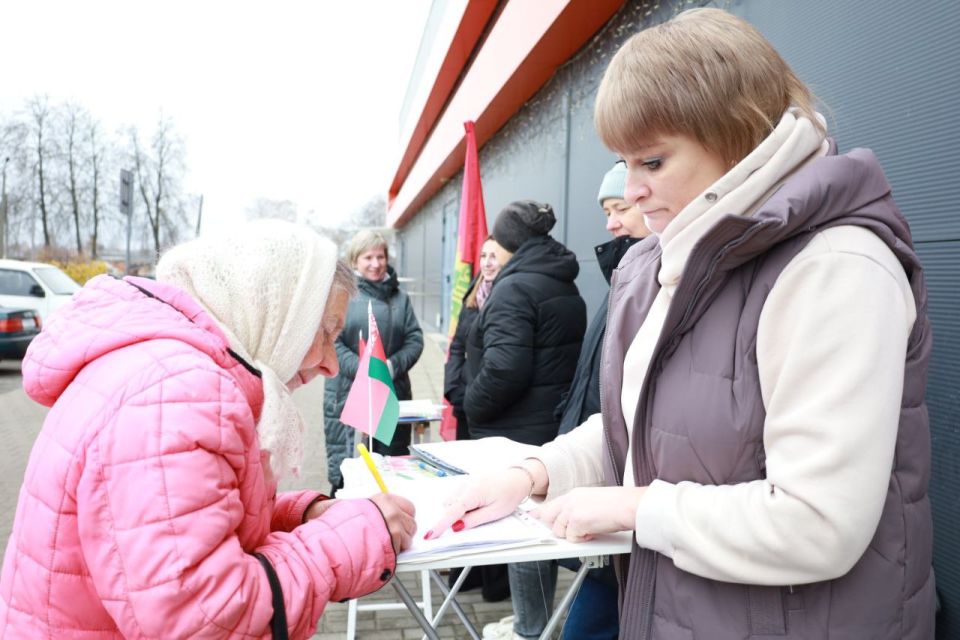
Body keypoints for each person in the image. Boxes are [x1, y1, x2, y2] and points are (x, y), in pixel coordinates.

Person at [431, 8, 934, 639]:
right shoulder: (662, 261)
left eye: (652, 162)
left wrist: (636, 507)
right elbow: (642, 429)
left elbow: (817, 522)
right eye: (623, 162)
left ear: (736, 133)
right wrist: (533, 474)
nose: (630, 188)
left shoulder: (833, 266)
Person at [0, 220, 417, 639]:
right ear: (273, 310)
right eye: (324, 332)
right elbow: (210, 619)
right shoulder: (175, 396)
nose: (329, 363)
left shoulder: (166, 370)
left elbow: (190, 520)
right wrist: (352, 537)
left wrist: (302, 515)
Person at [459, 201, 586, 640]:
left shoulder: (515, 288)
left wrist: (469, 405)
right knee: (537, 527)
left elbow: (504, 369)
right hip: (547, 423)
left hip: (514, 429)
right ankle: (531, 622)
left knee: (523, 535)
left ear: (510, 243)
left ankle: (530, 629)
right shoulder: (560, 278)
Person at [552, 160, 651, 640]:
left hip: (629, 497)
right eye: (608, 210)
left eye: (620, 208)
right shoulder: (621, 276)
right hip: (600, 473)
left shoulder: (652, 280)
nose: (610, 222)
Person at [324, 229, 423, 492]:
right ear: (355, 260)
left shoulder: (400, 298)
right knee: (352, 477)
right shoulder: (342, 295)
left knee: (392, 476)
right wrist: (364, 369)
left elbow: (415, 338)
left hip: (393, 393)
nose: (376, 264)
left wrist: (389, 367)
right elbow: (331, 340)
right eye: (368, 257)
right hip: (349, 394)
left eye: (380, 256)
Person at [443, 235, 511, 602]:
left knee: (489, 492)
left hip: (490, 408)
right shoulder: (473, 297)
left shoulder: (510, 297)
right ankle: (464, 572)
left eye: (494, 256)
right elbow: (455, 348)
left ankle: (494, 581)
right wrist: (454, 389)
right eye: (483, 254)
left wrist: (473, 396)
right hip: (467, 406)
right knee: (464, 488)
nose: (486, 262)